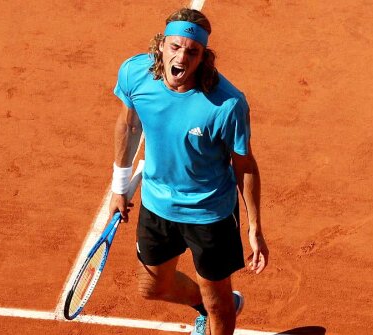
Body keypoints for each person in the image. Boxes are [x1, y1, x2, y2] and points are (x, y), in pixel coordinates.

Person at [108, 7, 268, 335]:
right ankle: (207, 307)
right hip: (157, 206)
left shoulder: (227, 104)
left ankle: (217, 308)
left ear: (203, 58)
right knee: (153, 288)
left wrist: (254, 227)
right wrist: (119, 184)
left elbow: (245, 165)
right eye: (175, 47)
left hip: (210, 214)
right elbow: (127, 124)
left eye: (192, 52)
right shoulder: (135, 75)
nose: (182, 57)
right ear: (161, 47)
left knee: (218, 303)